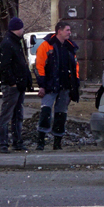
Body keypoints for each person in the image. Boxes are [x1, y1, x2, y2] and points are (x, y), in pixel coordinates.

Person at [34, 21, 80, 151]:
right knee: (46, 112)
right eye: (67, 30)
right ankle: (41, 141)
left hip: (64, 86)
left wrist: (74, 86)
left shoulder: (70, 47)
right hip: (50, 86)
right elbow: (39, 66)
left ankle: (57, 142)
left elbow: (75, 68)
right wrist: (42, 85)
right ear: (59, 31)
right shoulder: (46, 46)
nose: (69, 32)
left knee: (61, 115)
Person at [0, 17, 32, 153]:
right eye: (22, 28)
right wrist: (12, 83)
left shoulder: (14, 42)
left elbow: (18, 64)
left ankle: (16, 142)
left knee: (16, 114)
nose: (23, 30)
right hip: (13, 86)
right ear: (18, 28)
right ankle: (3, 143)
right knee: (8, 114)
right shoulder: (9, 43)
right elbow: (5, 66)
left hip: (18, 85)